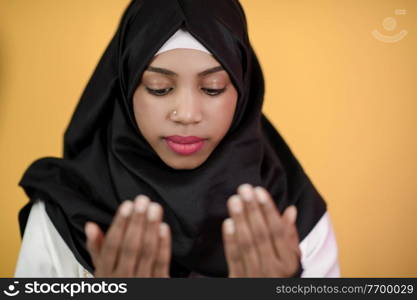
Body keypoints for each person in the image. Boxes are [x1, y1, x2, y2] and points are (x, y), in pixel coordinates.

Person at [15, 0, 340, 278]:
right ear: (126, 90)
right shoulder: (66, 214)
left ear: (243, 92)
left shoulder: (289, 218)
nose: (186, 114)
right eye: (159, 87)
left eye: (212, 87)